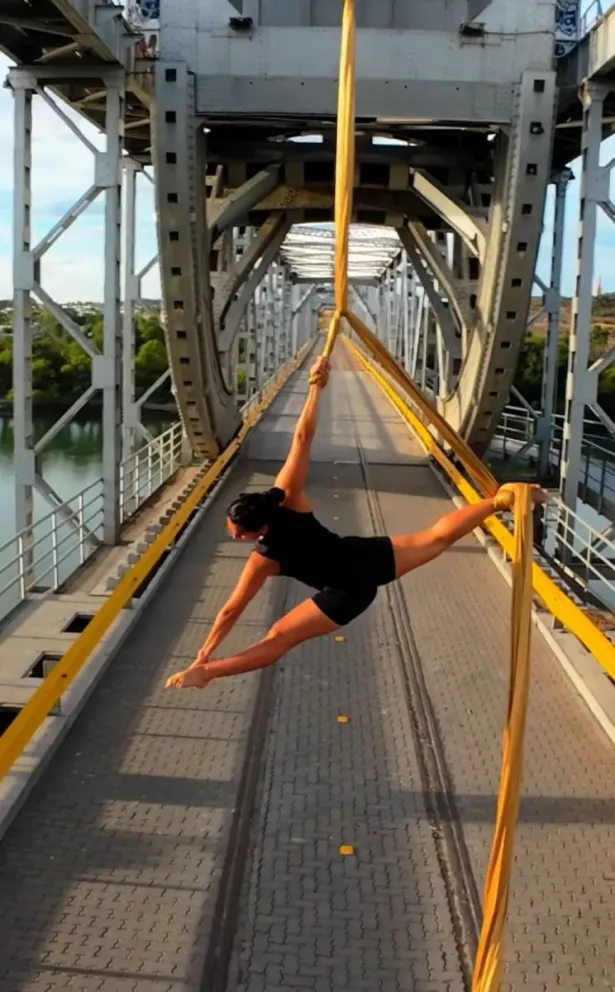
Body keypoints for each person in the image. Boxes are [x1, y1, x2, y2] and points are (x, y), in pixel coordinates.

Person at [166, 355, 546, 690]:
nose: (236, 538)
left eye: (238, 535)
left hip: (347, 592)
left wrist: (204, 654)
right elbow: (303, 437)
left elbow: (230, 610)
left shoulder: (263, 558)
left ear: (255, 532)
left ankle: (210, 673)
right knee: (435, 537)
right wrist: (317, 386)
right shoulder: (285, 498)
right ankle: (501, 500)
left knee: (278, 638)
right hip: (362, 554)